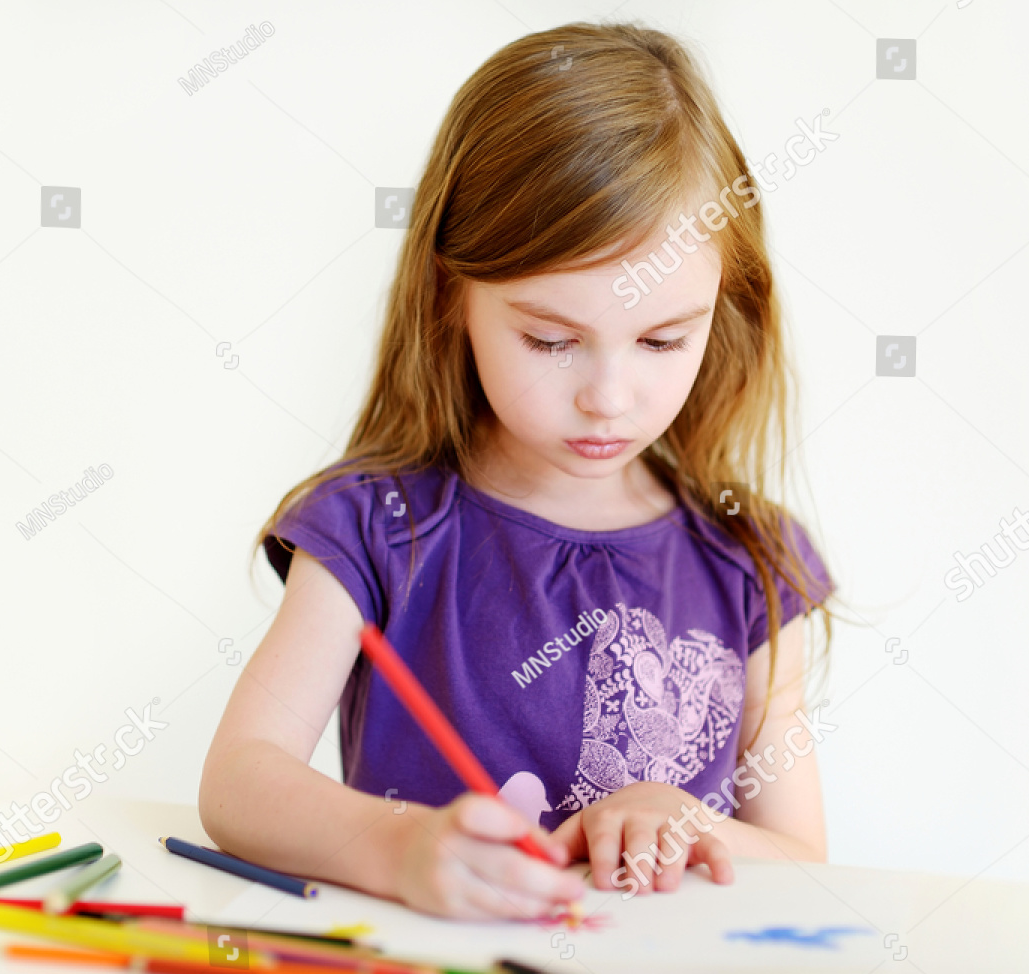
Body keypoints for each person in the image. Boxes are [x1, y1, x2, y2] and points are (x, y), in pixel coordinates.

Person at [200, 21, 834, 919]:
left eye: (662, 339)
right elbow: (238, 780)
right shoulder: (375, 528)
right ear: (451, 297)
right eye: (550, 339)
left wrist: (690, 821)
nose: (608, 397)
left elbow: (803, 856)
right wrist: (398, 847)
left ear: (723, 310)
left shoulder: (753, 563)